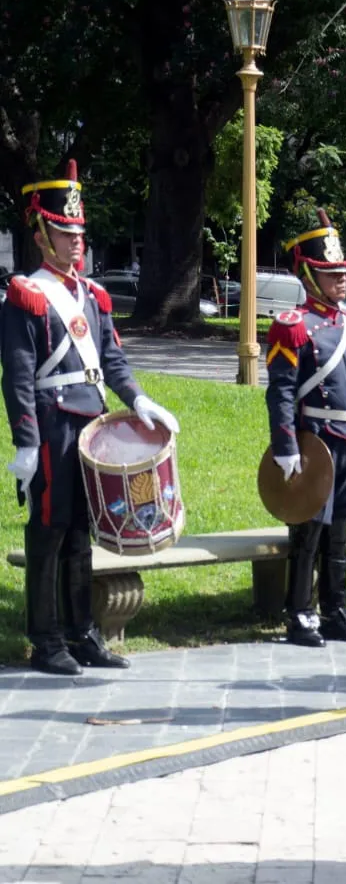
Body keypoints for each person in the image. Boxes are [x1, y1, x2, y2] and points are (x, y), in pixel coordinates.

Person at [2, 160, 180, 676]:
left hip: (92, 423)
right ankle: (44, 637)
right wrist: (27, 442)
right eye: (64, 232)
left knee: (82, 531)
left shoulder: (91, 295)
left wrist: (140, 401)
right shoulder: (27, 295)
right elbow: (17, 376)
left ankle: (83, 633)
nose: (75, 241)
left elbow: (113, 360)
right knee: (49, 529)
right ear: (41, 235)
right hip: (53, 420)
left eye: (78, 233)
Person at [265, 209, 346, 648]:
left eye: (342, 273)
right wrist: (285, 446)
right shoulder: (292, 328)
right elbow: (281, 393)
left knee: (339, 533)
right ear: (309, 275)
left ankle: (336, 611)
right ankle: (301, 614)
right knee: (308, 533)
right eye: (331, 274)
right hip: (316, 443)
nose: (341, 281)